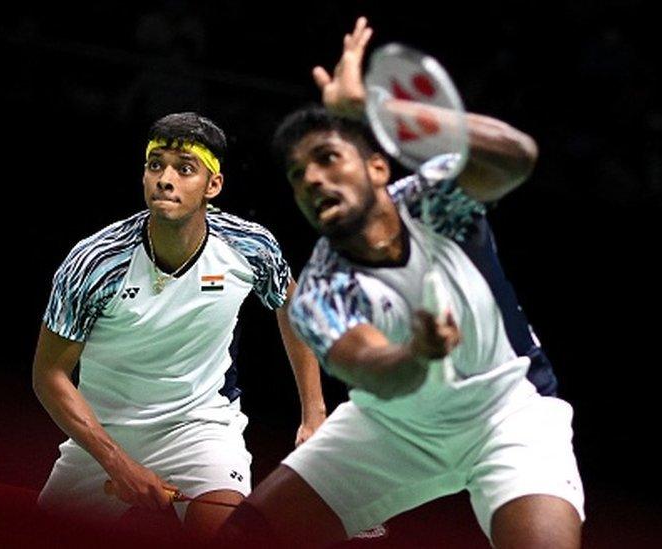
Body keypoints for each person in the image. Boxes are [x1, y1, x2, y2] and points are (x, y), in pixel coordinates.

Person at [220, 18, 584, 547]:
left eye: (327, 159)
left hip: (511, 415)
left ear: (377, 168)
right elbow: (371, 368)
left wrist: (373, 109)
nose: (314, 179)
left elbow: (517, 156)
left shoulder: (437, 202)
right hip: (393, 430)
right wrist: (417, 353)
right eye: (299, 176)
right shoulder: (320, 289)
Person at [32, 112, 325, 541]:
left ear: (213, 185)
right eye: (156, 166)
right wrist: (119, 464)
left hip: (201, 429)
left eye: (184, 168)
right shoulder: (95, 263)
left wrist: (314, 415)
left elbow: (291, 304)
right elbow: (48, 375)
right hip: (102, 435)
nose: (165, 179)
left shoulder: (248, 247)